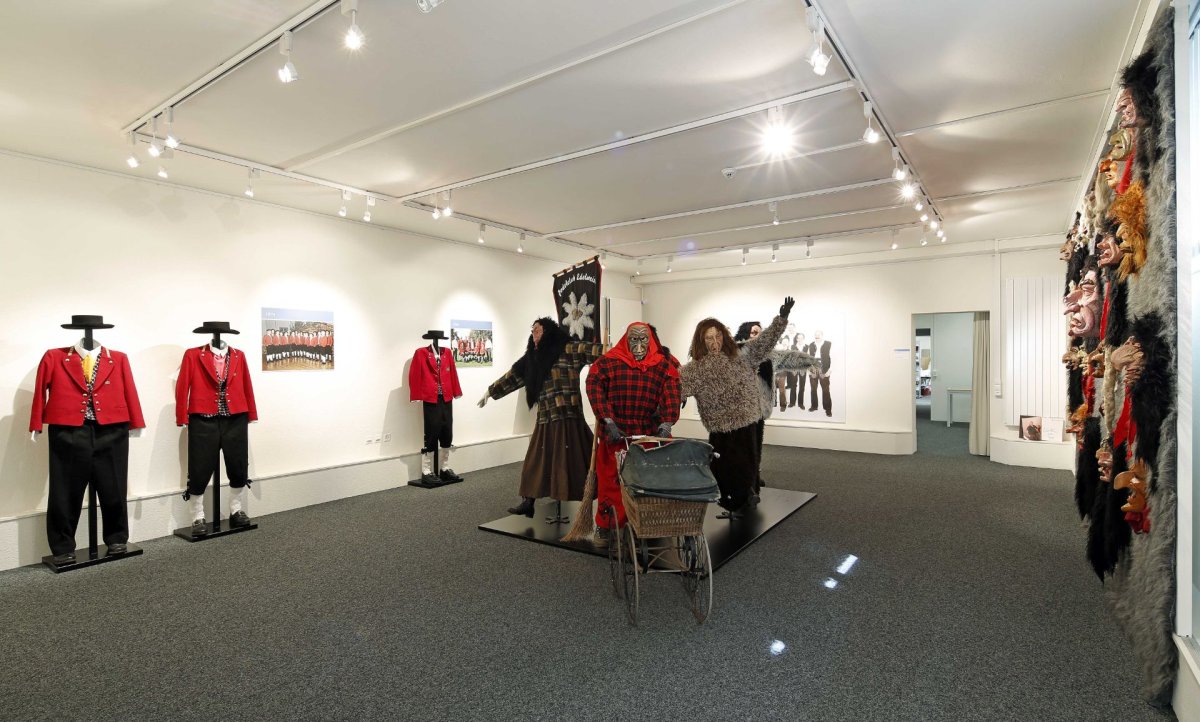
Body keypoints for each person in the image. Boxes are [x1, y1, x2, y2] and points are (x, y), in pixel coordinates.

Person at [680, 297, 793, 515]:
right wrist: (676, 399)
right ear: (701, 341)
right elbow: (677, 387)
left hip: (746, 419)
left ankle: (747, 498)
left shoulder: (741, 355)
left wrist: (781, 319)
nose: (715, 342)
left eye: (718, 336)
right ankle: (734, 502)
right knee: (723, 468)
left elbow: (764, 342)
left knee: (747, 463)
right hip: (720, 426)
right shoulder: (695, 369)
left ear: (724, 335)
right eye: (709, 338)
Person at [480, 318, 601, 516]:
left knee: (575, 461)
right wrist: (490, 391)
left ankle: (592, 498)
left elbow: (596, 352)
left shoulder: (568, 349)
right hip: (545, 417)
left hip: (569, 417)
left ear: (548, 332)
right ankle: (528, 502)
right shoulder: (533, 358)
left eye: (538, 330)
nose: (534, 334)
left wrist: (614, 351)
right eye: (533, 331)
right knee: (535, 462)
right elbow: (514, 376)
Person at [584, 322, 681, 544]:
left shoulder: (663, 365)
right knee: (611, 481)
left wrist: (667, 422)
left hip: (648, 434)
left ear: (650, 340)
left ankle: (648, 523)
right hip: (617, 432)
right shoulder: (609, 362)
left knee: (651, 481)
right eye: (634, 339)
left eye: (643, 339)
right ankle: (607, 526)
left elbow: (672, 390)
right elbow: (593, 383)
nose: (638, 345)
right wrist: (607, 419)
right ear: (626, 340)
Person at [734, 320, 815, 490]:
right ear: (745, 334)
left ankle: (754, 476)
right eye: (754, 332)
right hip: (740, 410)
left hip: (759, 410)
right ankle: (742, 480)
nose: (757, 336)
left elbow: (788, 357)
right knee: (741, 446)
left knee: (756, 444)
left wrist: (810, 362)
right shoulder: (736, 354)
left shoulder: (768, 355)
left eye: (760, 333)